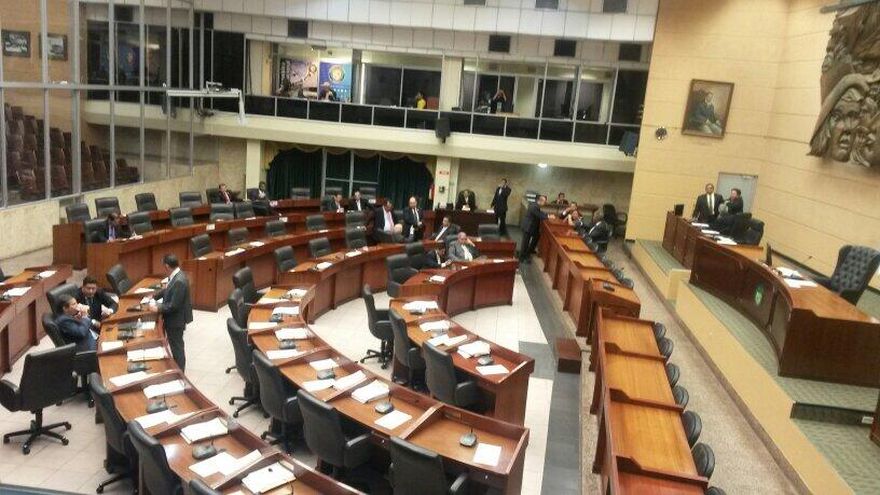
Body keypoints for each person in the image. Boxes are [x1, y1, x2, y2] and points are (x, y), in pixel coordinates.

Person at [149, 254, 193, 371]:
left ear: (167, 266)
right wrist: (154, 296)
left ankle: (180, 373)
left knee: (177, 348)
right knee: (175, 346)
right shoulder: (175, 275)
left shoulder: (179, 281)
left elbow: (174, 306)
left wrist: (158, 308)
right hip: (174, 318)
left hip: (176, 320)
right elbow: (168, 290)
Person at [519, 195, 555, 263]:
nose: (545, 203)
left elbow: (540, 212)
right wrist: (548, 216)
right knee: (525, 242)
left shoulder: (535, 205)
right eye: (545, 201)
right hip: (528, 226)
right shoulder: (534, 206)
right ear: (540, 201)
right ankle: (522, 257)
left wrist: (548, 215)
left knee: (537, 236)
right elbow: (539, 215)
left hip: (532, 226)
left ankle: (530, 250)